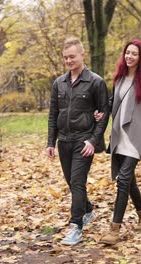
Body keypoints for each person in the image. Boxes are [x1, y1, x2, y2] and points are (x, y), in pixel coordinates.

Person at [95, 39, 141, 245]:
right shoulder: (119, 79)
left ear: (140, 57)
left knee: (123, 179)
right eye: (127, 53)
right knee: (129, 180)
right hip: (120, 135)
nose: (129, 57)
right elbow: (113, 102)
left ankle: (114, 230)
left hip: (138, 138)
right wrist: (102, 113)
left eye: (134, 54)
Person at [46, 37, 109, 245]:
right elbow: (53, 113)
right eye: (65, 57)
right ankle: (87, 210)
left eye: (72, 56)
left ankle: (75, 227)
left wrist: (93, 141)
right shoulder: (59, 83)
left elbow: (104, 115)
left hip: (84, 142)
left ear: (82, 55)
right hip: (64, 141)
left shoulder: (96, 82)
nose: (69, 61)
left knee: (78, 182)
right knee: (72, 183)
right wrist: (50, 142)